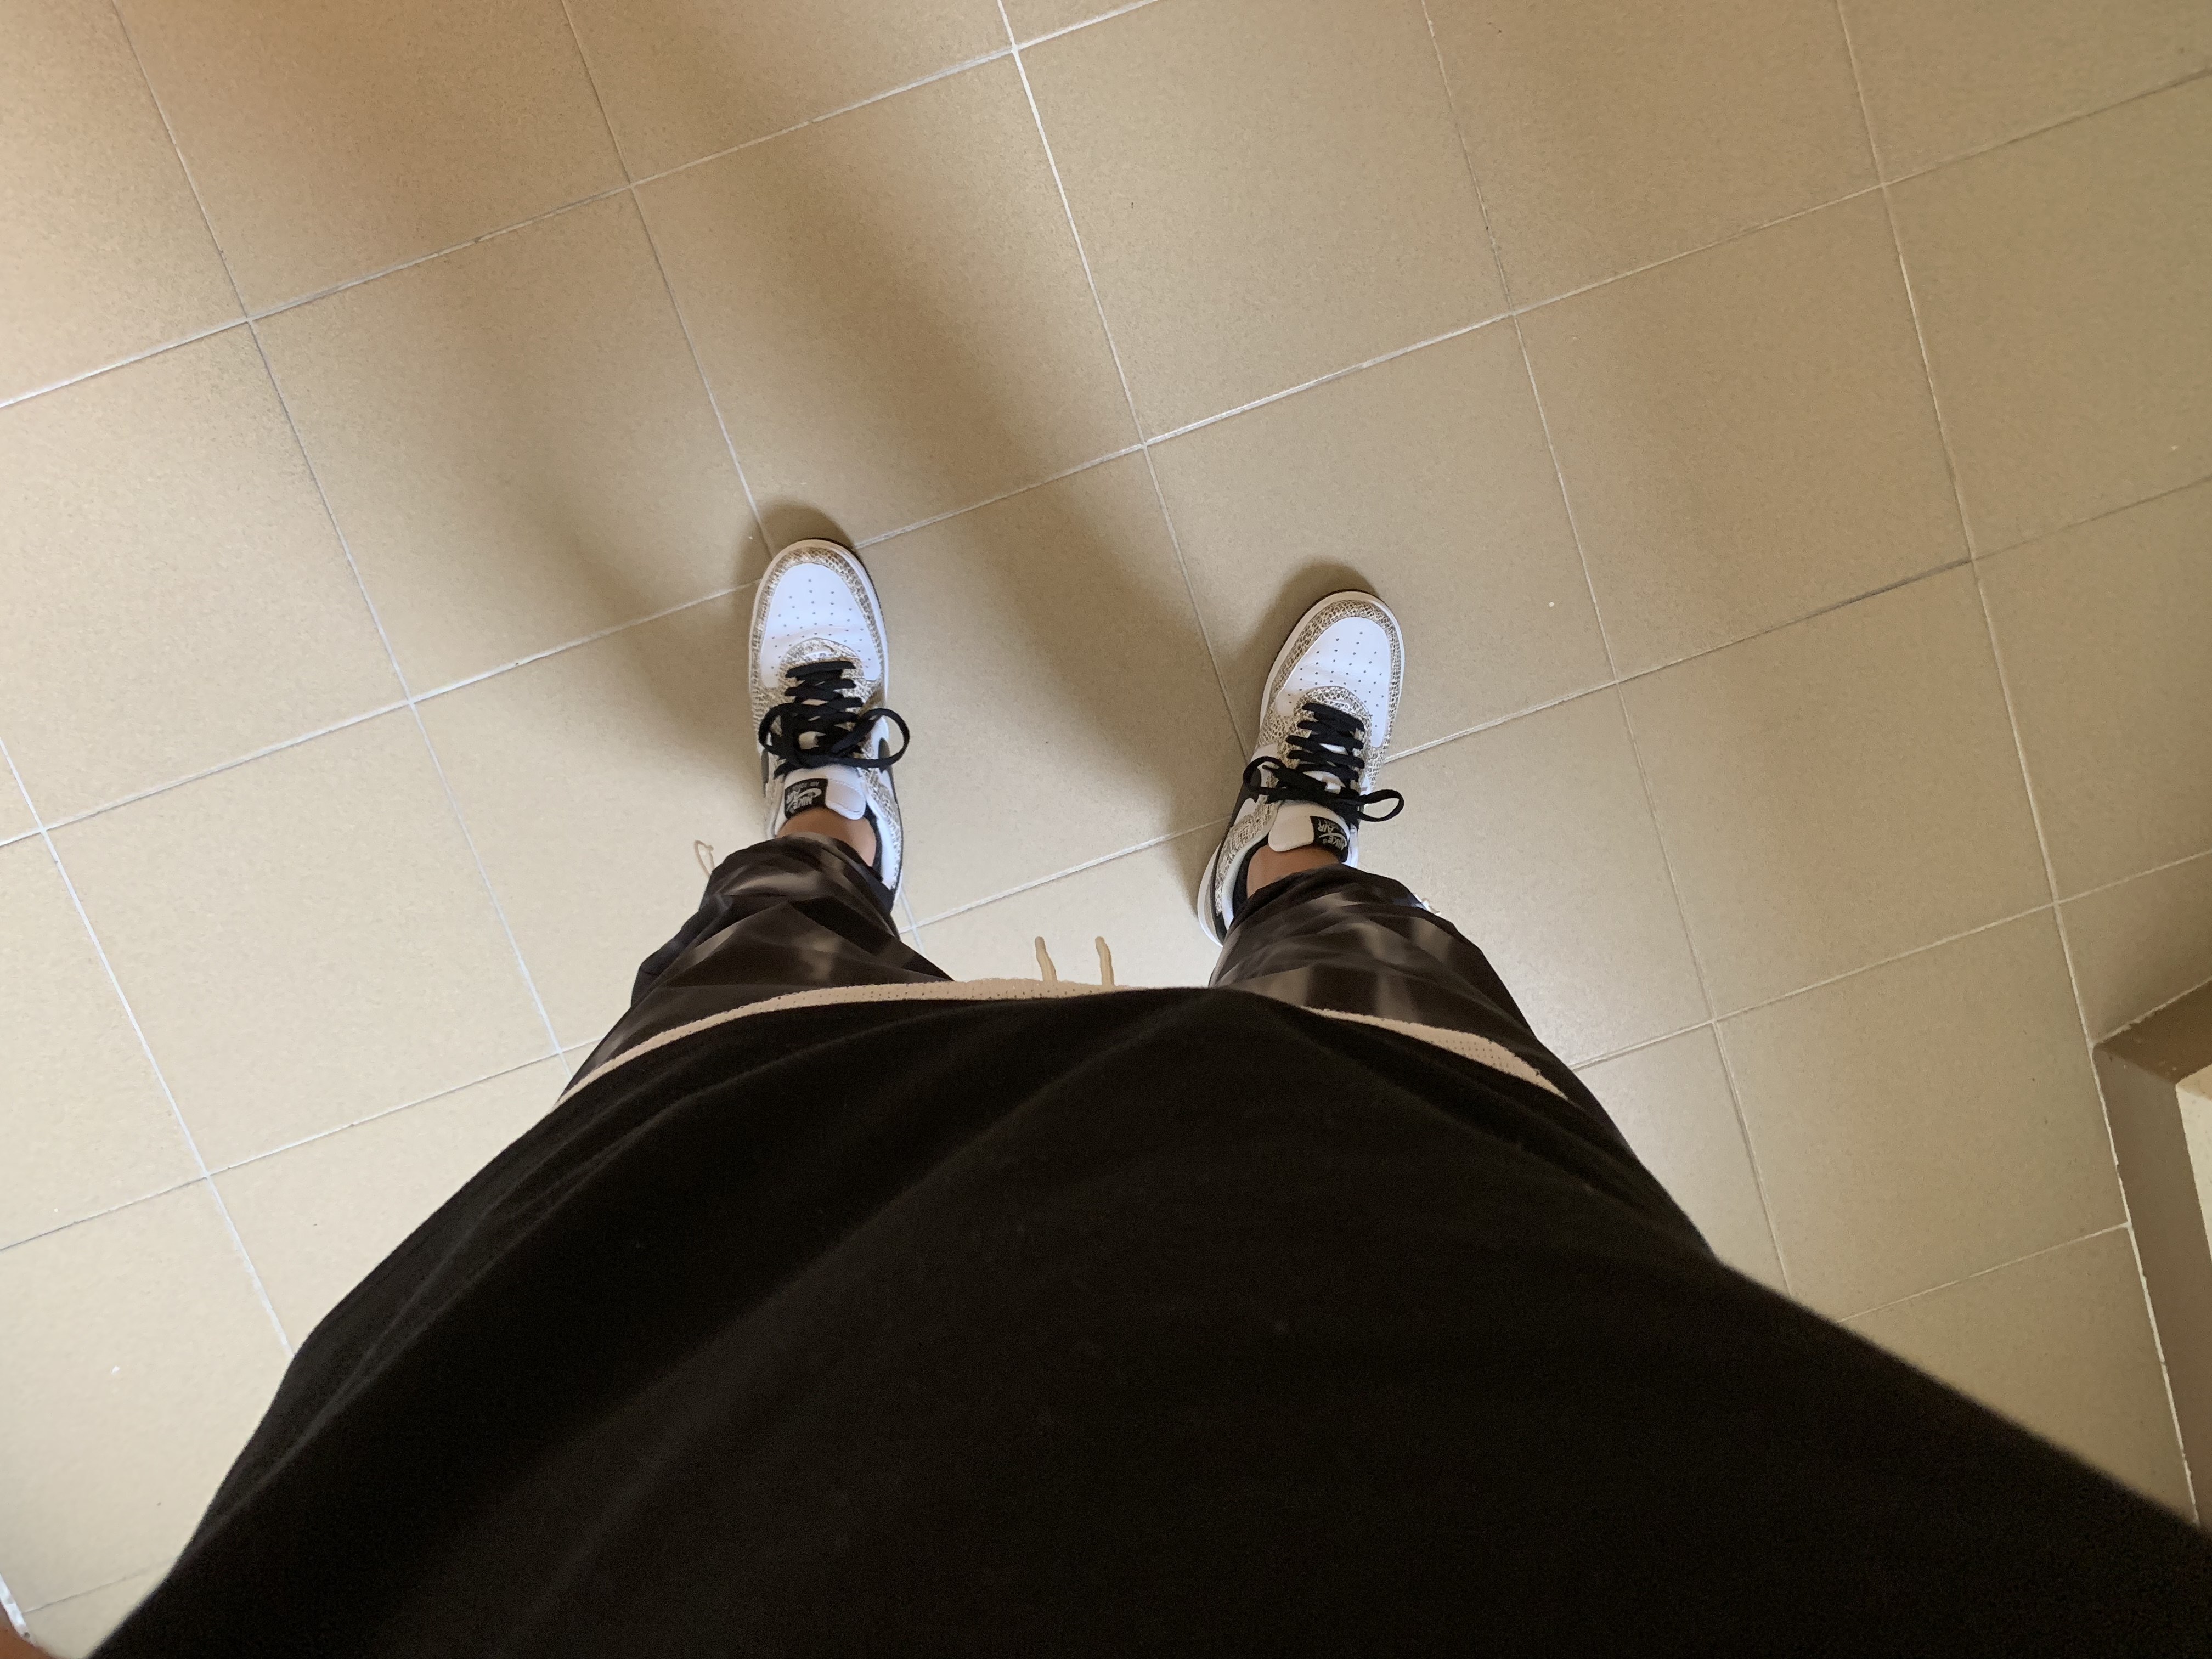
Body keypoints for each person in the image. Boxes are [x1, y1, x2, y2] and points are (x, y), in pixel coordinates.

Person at [73, 544, 2212, 1656]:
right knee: (1371, 1003)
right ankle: (1293, 863)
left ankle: (828, 830)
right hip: (1462, 1327)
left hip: (649, 1364)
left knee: (751, 992)